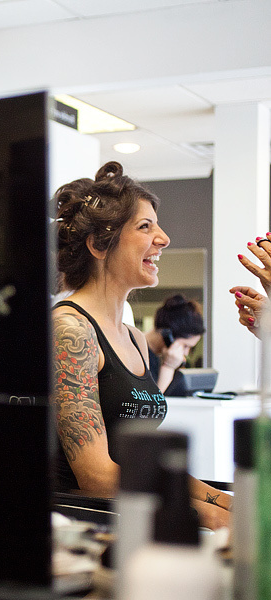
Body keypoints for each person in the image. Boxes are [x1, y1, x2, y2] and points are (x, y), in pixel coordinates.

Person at [51, 161, 229, 530]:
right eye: (145, 227)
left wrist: (226, 501)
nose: (163, 238)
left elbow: (144, 465)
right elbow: (97, 478)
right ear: (98, 245)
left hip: (132, 514)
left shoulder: (133, 338)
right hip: (87, 527)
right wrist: (212, 516)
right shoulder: (70, 331)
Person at [144, 294, 205, 395]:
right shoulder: (137, 351)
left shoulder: (158, 357)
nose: (186, 353)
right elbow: (152, 400)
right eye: (185, 346)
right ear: (168, 335)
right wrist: (168, 366)